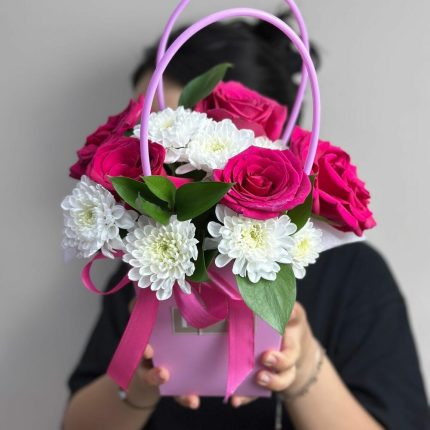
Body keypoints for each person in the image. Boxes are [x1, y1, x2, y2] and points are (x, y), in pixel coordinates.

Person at [62, 15, 430, 430]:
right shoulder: (145, 266)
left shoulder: (352, 275)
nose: (152, 150)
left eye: (177, 129)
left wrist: (304, 370)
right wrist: (135, 383)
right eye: (143, 128)